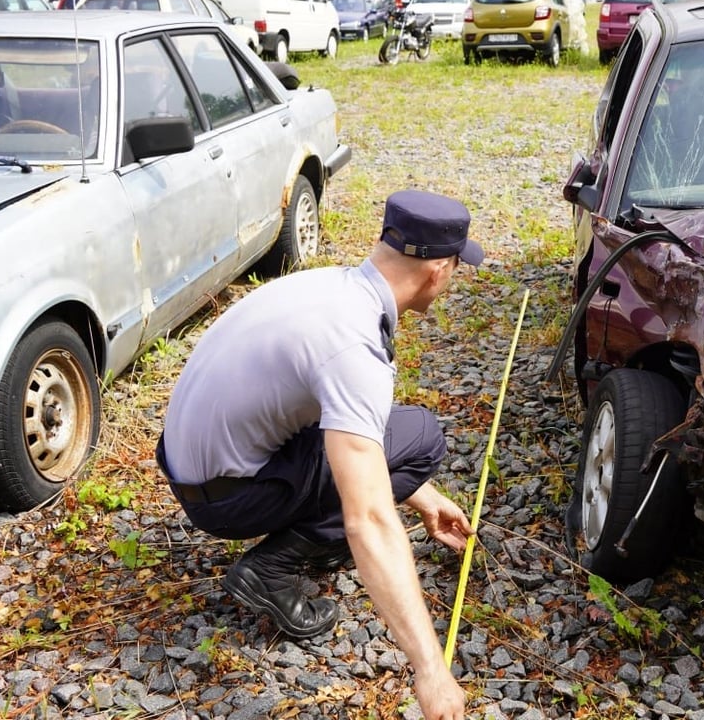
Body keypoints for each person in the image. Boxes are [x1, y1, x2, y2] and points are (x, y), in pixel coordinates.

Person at [156, 189, 482, 720]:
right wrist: (430, 670)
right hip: (224, 499)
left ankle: (291, 533)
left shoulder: (330, 286)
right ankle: (272, 568)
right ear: (438, 271)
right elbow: (370, 518)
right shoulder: (354, 348)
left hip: (192, 464)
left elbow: (341, 435)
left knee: (390, 438)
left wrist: (420, 497)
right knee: (421, 436)